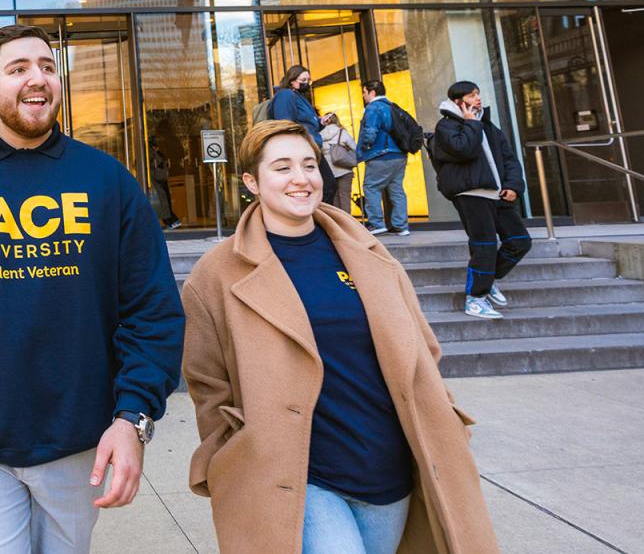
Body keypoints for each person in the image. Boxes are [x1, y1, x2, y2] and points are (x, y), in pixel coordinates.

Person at [0, 24, 185, 554]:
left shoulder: (108, 182)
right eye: (17, 69)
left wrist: (132, 419)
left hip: (79, 440)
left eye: (46, 66)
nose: (36, 78)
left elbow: (151, 312)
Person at [181, 120, 498, 554]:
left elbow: (422, 347)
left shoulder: (367, 251)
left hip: (386, 467)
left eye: (309, 165)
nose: (301, 179)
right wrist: (228, 455)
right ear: (251, 182)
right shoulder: (215, 274)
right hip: (297, 477)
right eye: (282, 167)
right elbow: (206, 381)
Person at [431, 81, 532, 321]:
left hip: (498, 194)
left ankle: (487, 280)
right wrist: (471, 123)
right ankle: (475, 299)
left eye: (478, 94)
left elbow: (509, 158)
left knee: (520, 242)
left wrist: (513, 186)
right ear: (458, 101)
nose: (477, 99)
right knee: (484, 245)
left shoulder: (488, 126)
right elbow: (464, 149)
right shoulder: (446, 127)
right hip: (471, 194)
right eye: (471, 95)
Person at [269, 66, 338, 206]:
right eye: (303, 80)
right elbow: (285, 124)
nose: (306, 83)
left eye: (308, 80)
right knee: (327, 185)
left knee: (326, 186)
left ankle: (316, 221)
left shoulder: (299, 97)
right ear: (292, 80)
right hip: (302, 148)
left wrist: (320, 122)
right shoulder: (286, 95)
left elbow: (306, 124)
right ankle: (315, 221)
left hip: (310, 147)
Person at [357, 81, 411, 237]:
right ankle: (401, 226)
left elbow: (370, 132)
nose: (363, 95)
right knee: (397, 190)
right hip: (399, 155)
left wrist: (366, 147)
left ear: (372, 92)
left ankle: (376, 224)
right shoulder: (392, 106)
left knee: (371, 187)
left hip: (381, 155)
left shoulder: (373, 107)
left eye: (364, 92)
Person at [319, 113, 356, 214]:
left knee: (334, 197)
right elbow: (355, 149)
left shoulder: (319, 135)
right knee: (344, 196)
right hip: (345, 170)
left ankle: (337, 222)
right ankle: (348, 223)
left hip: (329, 172)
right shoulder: (342, 132)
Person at [149, 139, 180, 229]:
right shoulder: (153, 152)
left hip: (156, 179)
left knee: (162, 202)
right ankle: (171, 221)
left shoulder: (151, 153)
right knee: (163, 201)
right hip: (158, 179)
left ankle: (171, 221)